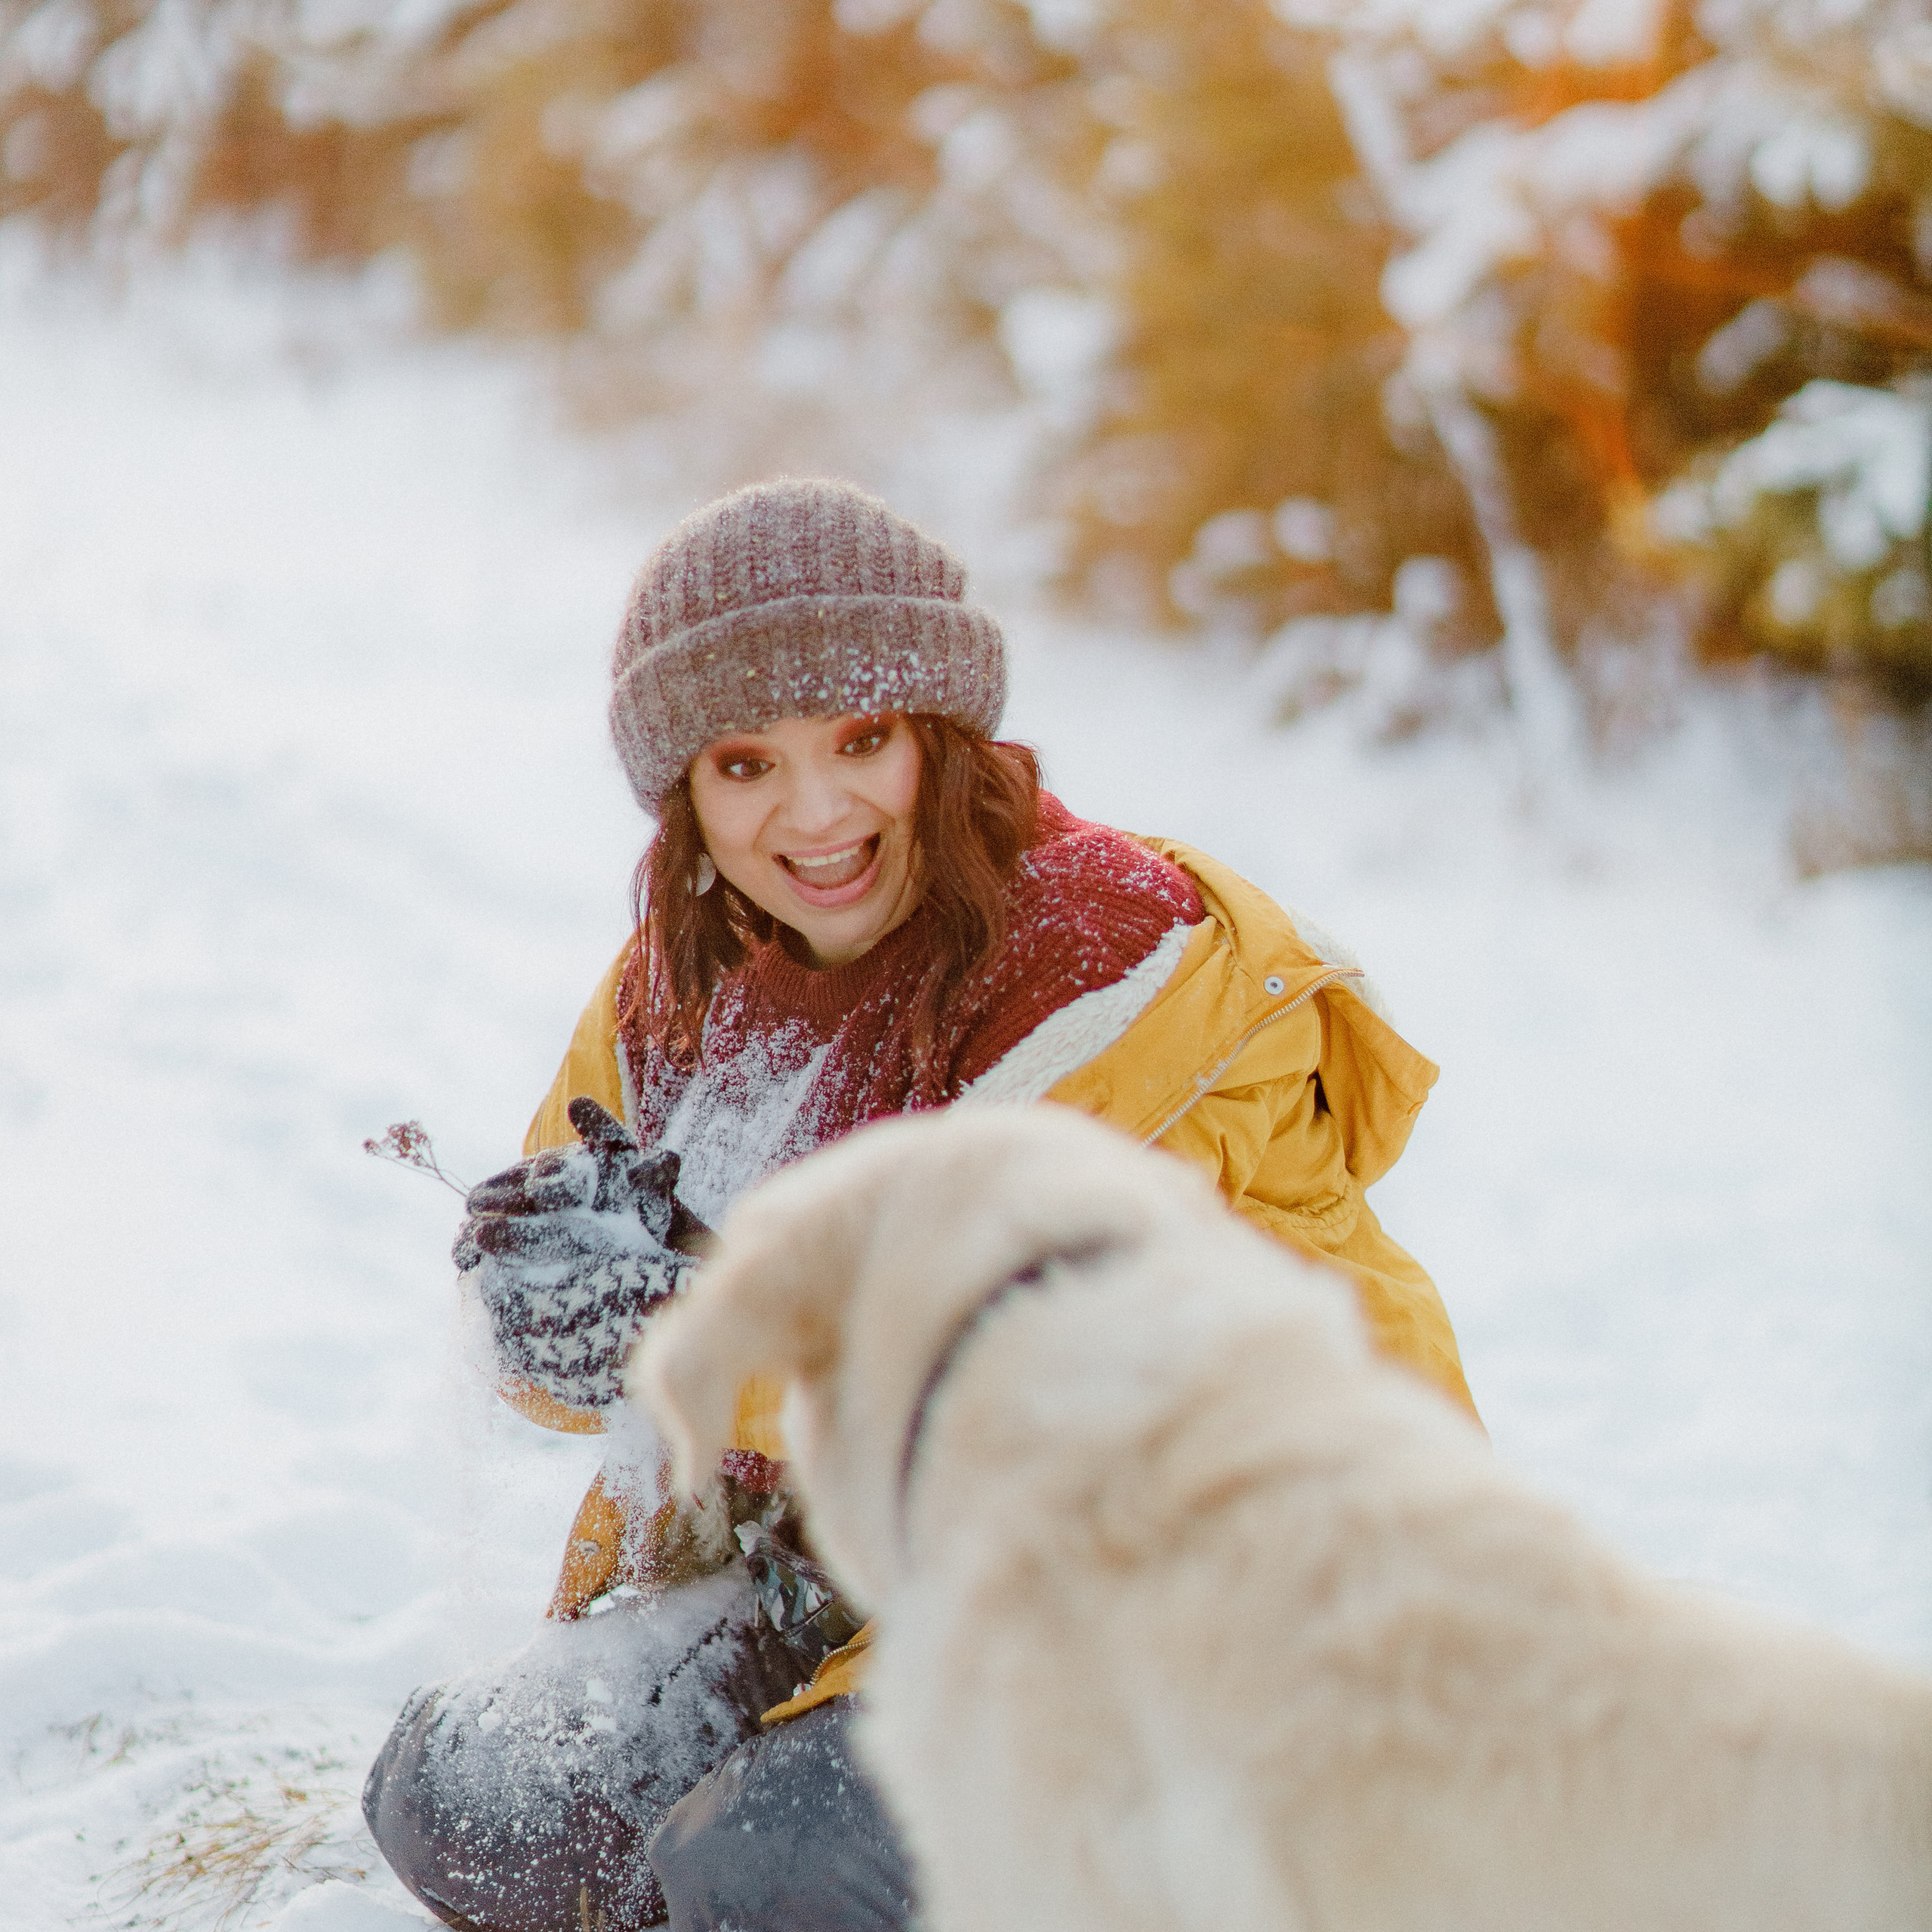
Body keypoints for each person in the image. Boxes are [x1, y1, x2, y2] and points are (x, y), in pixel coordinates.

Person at [362, 479, 1481, 1932]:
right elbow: (596, 1369)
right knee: (465, 1808)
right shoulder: (686, 978)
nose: (815, 815)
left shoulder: (1108, 962)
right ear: (686, 794)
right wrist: (545, 1306)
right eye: (746, 764)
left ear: (939, 738)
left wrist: (689, 1331)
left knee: (781, 1865)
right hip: (858, 1592)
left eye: (864, 742)